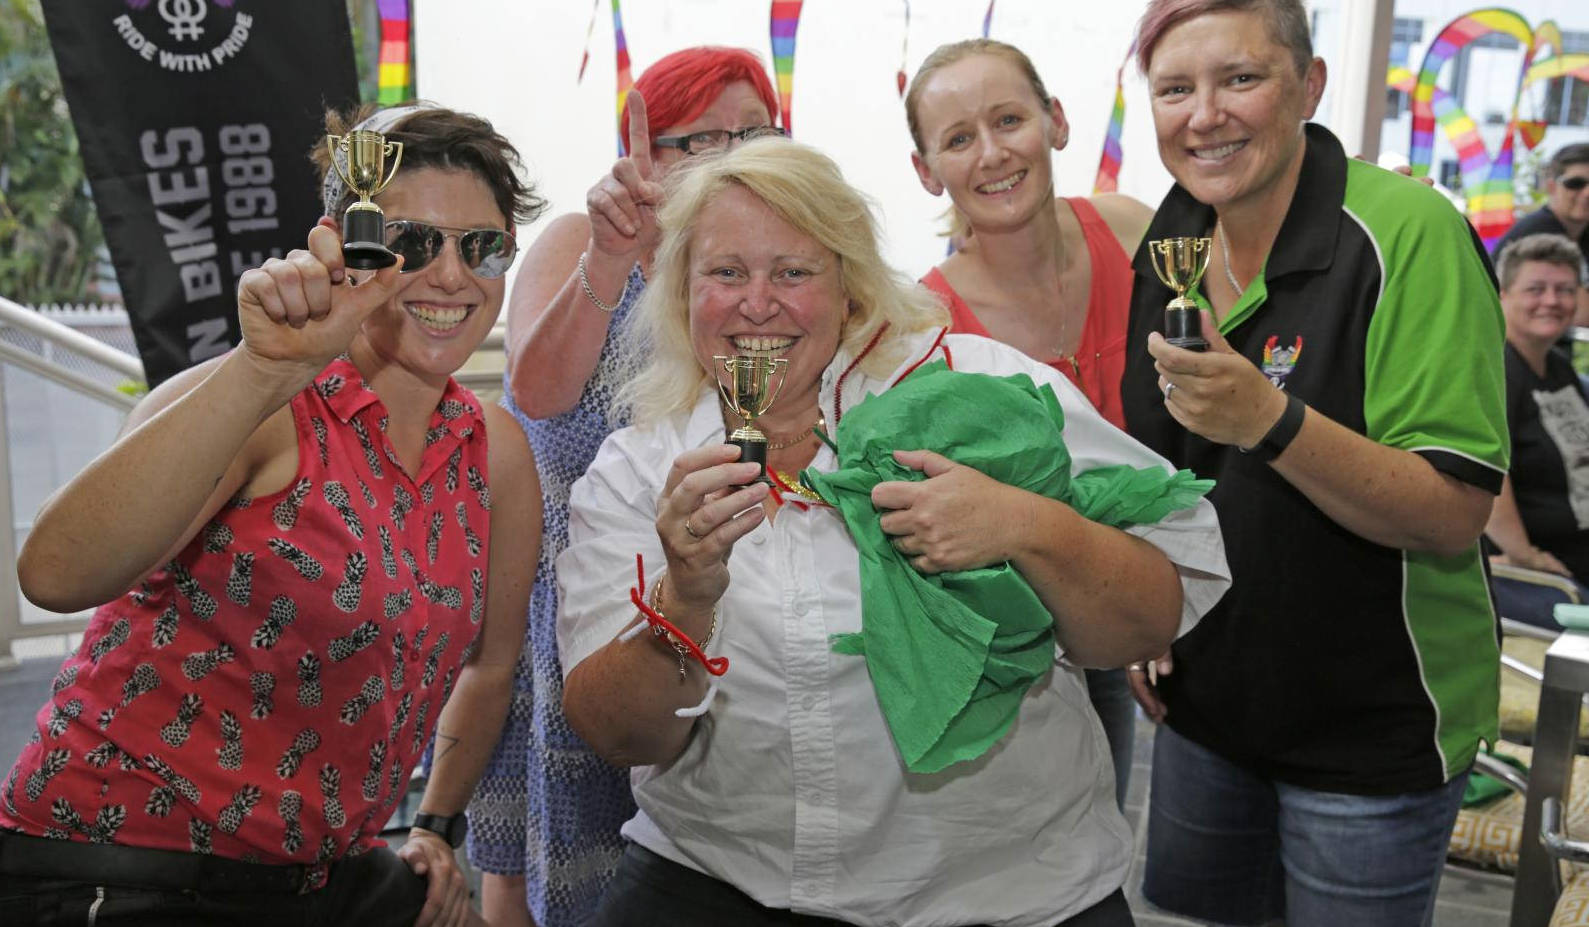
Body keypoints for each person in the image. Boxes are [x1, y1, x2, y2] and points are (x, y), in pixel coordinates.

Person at [557, 137, 1230, 927]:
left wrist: (1027, 525)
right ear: (683, 294)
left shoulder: (977, 389)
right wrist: (686, 596)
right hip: (719, 877)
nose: (757, 302)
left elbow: (1149, 615)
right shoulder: (641, 466)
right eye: (726, 272)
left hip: (1008, 898)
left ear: (849, 288)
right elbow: (617, 735)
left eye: (794, 271)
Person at [0, 102, 543, 927]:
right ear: (346, 240)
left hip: (322, 876)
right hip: (126, 869)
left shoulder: (492, 448)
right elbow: (53, 571)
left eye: (482, 246)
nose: (450, 276)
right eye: (412, 242)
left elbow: (490, 664)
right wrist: (262, 368)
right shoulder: (265, 397)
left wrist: (434, 822)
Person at [1118, 0, 1509, 924]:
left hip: (1371, 729)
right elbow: (1161, 472)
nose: (1203, 114)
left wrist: (1268, 416)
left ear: (1309, 87)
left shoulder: (1406, 232)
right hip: (1205, 715)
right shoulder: (1171, 242)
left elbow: (1451, 510)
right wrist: (1140, 599)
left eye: (1239, 79)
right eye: (1175, 88)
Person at [470, 46, 781, 927]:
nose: (728, 154)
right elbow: (533, 392)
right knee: (550, 841)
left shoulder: (764, 262)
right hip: (579, 591)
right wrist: (614, 260)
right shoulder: (582, 238)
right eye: (700, 138)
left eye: (752, 132)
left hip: (729, 590)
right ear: (647, 153)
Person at [904, 38, 1155, 809]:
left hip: (1167, 592)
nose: (990, 153)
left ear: (1056, 121)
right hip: (1030, 645)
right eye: (957, 138)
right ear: (926, 171)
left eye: (1007, 119)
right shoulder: (925, 323)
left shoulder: (1134, 230)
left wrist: (1163, 600)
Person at [1485, 233, 1589, 626]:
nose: (1552, 301)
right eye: (1536, 289)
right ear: (1503, 295)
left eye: (1564, 290)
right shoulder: (1496, 370)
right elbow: (1486, 472)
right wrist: (1525, 555)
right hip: (1535, 571)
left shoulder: (1559, 366)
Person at [1494, 143, 1589, 325]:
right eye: (1575, 184)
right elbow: (1581, 316)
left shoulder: (1582, 232)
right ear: (1551, 187)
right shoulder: (1539, 231)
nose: (1587, 193)